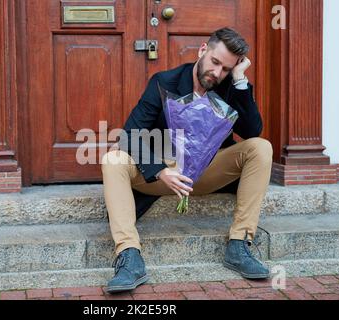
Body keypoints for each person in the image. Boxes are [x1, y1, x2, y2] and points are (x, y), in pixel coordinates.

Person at [101, 27, 273, 294]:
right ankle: (129, 256)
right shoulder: (164, 82)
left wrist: (239, 80)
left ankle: (239, 245)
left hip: (207, 172)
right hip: (163, 176)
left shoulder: (230, 86)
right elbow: (129, 135)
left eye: (226, 68)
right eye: (215, 62)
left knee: (261, 148)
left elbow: (252, 131)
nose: (217, 73)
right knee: (113, 159)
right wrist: (160, 171)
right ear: (203, 50)